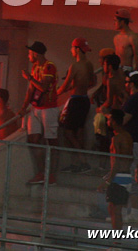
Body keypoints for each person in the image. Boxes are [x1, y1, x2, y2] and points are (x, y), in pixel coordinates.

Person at [18, 41, 60, 185]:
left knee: (51, 141)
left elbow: (43, 87)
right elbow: (31, 90)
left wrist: (29, 78)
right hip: (36, 108)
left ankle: (52, 174)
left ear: (35, 53)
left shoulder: (49, 66)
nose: (29, 55)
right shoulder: (35, 67)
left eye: (30, 53)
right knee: (33, 140)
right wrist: (24, 107)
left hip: (48, 108)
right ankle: (41, 172)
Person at [57, 37, 95, 173]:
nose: (71, 50)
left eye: (72, 48)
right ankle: (76, 163)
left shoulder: (75, 66)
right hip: (85, 99)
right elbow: (92, 82)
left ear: (77, 49)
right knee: (78, 132)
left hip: (76, 100)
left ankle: (83, 161)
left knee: (68, 132)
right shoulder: (89, 64)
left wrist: (52, 94)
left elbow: (64, 86)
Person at [100, 109, 133, 231]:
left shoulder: (117, 138)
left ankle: (117, 243)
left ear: (113, 121)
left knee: (115, 210)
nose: (107, 121)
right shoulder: (128, 136)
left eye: (109, 119)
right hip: (126, 174)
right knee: (113, 208)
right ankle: (117, 241)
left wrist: (108, 181)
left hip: (119, 176)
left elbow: (116, 162)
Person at [113, 7, 138, 72]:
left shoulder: (132, 37)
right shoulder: (116, 38)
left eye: (115, 21)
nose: (114, 23)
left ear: (122, 22)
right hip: (117, 70)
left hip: (127, 71)